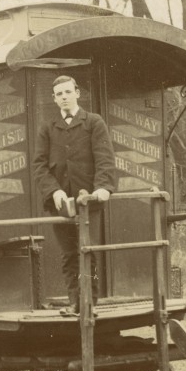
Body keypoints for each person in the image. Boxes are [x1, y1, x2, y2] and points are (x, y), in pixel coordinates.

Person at [32, 75, 117, 315]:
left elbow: (105, 158)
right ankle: (75, 303)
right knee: (69, 254)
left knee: (88, 251)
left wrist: (103, 187)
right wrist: (54, 190)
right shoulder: (47, 128)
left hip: (89, 202)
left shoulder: (93, 122)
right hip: (61, 204)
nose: (64, 97)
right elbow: (39, 165)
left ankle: (89, 304)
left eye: (68, 92)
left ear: (77, 93)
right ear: (54, 98)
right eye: (59, 94)